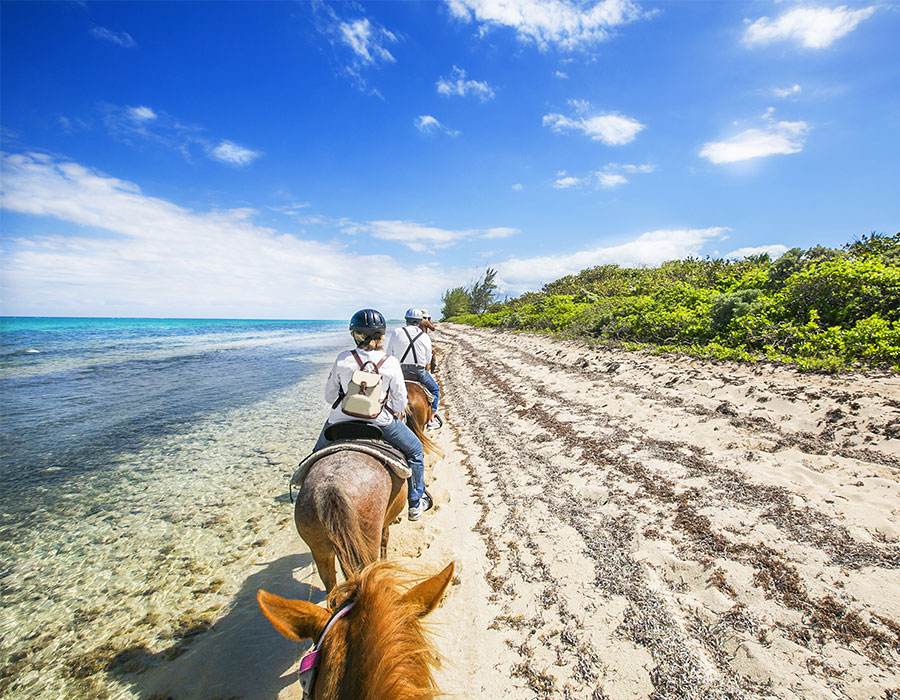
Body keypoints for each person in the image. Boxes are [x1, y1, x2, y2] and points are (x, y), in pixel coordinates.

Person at [313, 308, 432, 521]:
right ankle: (415, 503)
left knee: (314, 457)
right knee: (415, 450)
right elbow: (400, 401)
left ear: (355, 334)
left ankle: (301, 482)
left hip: (339, 420)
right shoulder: (390, 362)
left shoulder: (342, 358)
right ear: (382, 336)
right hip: (380, 422)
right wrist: (390, 411)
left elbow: (329, 396)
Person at [387, 308, 440, 430]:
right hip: (418, 371)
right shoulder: (424, 336)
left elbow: (389, 354)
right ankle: (431, 418)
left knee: (384, 391)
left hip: (400, 371)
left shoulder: (396, 332)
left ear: (406, 320)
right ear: (419, 321)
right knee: (435, 390)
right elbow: (427, 360)